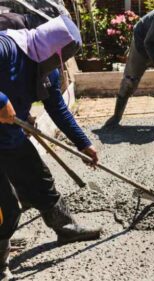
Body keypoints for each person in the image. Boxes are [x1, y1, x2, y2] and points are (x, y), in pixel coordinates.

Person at [0, 15, 102, 280]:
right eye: (62, 54)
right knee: (6, 207)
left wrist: (84, 143)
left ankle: (66, 228)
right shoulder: (7, 47)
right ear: (52, 46)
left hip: (9, 137)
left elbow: (57, 107)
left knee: (40, 180)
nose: (60, 61)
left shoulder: (47, 68)